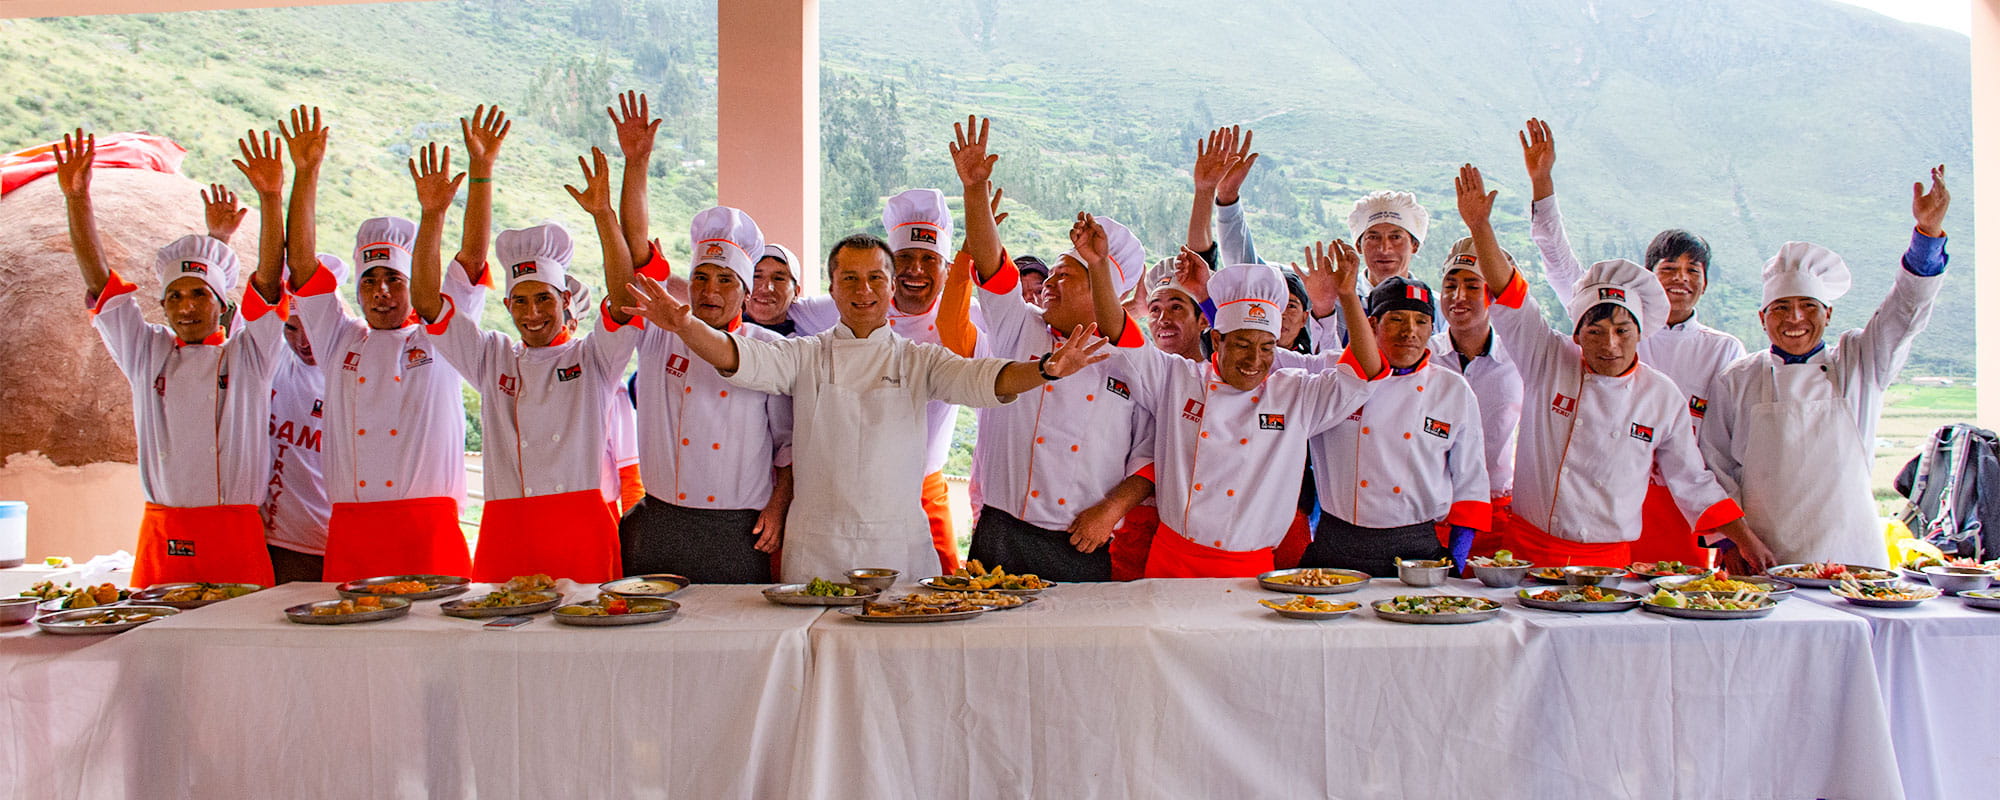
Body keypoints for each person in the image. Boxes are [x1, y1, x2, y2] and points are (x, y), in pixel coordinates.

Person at [622, 234, 1112, 583]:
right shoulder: (803, 354)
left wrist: (1045, 368)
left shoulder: (919, 360)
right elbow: (739, 357)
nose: (863, 290)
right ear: (831, 288)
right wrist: (684, 326)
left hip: (897, 545)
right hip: (814, 546)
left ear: (891, 286)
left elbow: (983, 379)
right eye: (849, 278)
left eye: (875, 278)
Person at [1455, 163, 1775, 570]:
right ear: (1575, 334)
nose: (1610, 344)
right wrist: (1480, 227)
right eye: (1596, 331)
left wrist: (1742, 538)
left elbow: (1692, 479)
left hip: (1610, 562)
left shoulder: (1661, 396)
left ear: (1641, 334)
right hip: (1529, 549)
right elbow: (1510, 295)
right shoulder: (1547, 359)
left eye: (1623, 331)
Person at [56, 128, 288, 586]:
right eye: (175, 296)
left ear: (222, 304)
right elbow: (102, 284)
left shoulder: (250, 355)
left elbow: (268, 282)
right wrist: (77, 198)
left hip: (236, 536)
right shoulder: (148, 352)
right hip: (164, 536)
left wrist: (271, 197)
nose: (186, 307)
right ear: (161, 306)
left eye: (199, 294)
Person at [286, 105, 505, 581]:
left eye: (393, 279)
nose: (381, 291)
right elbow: (302, 268)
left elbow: (470, 259)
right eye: (370, 281)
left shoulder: (443, 333)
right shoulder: (339, 339)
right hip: (351, 529)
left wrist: (476, 180)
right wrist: (306, 174)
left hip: (427, 527)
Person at [1520, 117, 1745, 569]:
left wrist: (1732, 534)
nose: (1680, 279)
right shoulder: (1609, 320)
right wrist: (1542, 183)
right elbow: (1558, 260)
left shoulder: (1723, 350)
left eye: (1692, 270)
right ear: (1646, 279)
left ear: (1705, 283)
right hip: (1597, 498)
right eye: (1668, 268)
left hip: (1683, 503)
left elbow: (1723, 447)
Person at [1702, 167, 1952, 569]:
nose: (1794, 318)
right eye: (1781, 308)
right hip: (1763, 554)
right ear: (1762, 317)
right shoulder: (1738, 378)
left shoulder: (1859, 361)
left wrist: (1926, 235)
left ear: (1828, 314)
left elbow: (1904, 313)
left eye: (1808, 307)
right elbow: (1716, 466)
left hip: (1850, 552)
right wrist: (1732, 543)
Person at [942, 117, 1154, 582]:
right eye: (1053, 273)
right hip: (1000, 531)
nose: (1050, 283)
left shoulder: (1136, 362)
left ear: (1103, 293)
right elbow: (993, 266)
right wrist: (974, 191)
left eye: (1067, 276)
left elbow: (1150, 455)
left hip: (1080, 537)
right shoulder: (1020, 326)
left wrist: (1110, 511)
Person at [413, 145, 636, 582]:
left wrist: (604, 216)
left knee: (584, 637)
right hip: (507, 527)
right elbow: (427, 304)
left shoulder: (594, 357)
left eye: (543, 300)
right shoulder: (492, 356)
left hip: (581, 524)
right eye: (521, 301)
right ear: (507, 304)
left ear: (565, 300)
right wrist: (432, 215)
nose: (532, 313)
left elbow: (626, 301)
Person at [1123, 251, 1385, 578]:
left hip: (1251, 565)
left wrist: (1346, 296)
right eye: (1243, 345)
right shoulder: (1181, 378)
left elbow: (1365, 371)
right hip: (1174, 558)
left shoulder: (1295, 393)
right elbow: (1124, 339)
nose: (1255, 360)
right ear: (1217, 340)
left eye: (1267, 348)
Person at [620, 206, 796, 583]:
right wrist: (637, 163)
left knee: (734, 634)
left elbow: (788, 449)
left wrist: (778, 509)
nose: (709, 290)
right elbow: (635, 258)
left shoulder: (768, 349)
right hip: (659, 521)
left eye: (725, 280)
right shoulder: (659, 333)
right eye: (700, 277)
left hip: (736, 528)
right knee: (652, 635)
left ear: (747, 293)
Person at [1290, 277, 1488, 576]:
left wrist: (1457, 564)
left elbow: (1470, 484)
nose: (1410, 332)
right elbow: (1258, 359)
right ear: (1371, 324)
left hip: (1416, 550)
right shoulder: (1333, 371)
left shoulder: (1452, 390)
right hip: (1336, 544)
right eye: (1396, 319)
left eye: (1421, 321)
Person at [201, 183, 336, 584]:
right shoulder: (268, 359)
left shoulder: (350, 365)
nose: (302, 341)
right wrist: (218, 239)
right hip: (267, 540)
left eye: (311, 328)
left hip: (328, 542)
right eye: (292, 328)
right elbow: (219, 329)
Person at [1428, 238, 1525, 566]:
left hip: (1497, 509)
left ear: (1494, 295)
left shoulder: (1520, 358)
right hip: (1430, 509)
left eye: (1472, 285)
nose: (1458, 297)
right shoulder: (1423, 356)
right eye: (1450, 285)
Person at [746, 243, 804, 336]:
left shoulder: (804, 346)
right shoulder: (721, 335)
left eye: (779, 278)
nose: (766, 288)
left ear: (796, 292)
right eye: (756, 276)